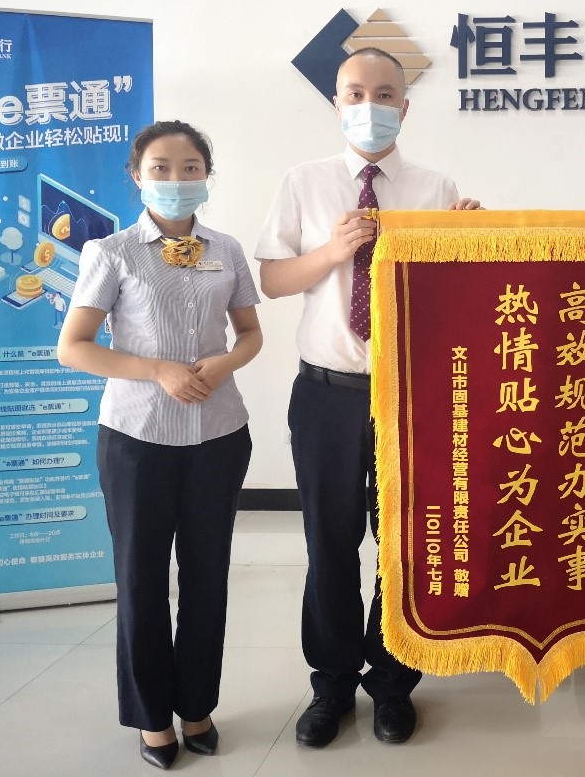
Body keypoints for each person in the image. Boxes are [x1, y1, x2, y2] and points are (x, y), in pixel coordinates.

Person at [256, 47, 479, 749]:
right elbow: (272, 281)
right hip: (326, 393)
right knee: (328, 542)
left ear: (405, 107)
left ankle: (391, 682)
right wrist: (331, 252)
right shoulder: (305, 181)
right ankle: (330, 684)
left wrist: (473, 243)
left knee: (404, 544)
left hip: (412, 397)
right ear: (336, 102)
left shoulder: (436, 188)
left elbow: (458, 300)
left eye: (384, 94)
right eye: (355, 92)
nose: (369, 105)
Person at [57, 120, 263, 770]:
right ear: (137, 176)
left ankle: (197, 705)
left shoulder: (227, 249)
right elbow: (74, 348)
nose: (177, 179)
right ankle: (151, 719)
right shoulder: (112, 252)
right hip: (137, 439)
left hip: (219, 435)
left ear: (207, 175)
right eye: (161, 168)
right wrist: (157, 370)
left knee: (207, 578)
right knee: (142, 580)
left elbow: (250, 334)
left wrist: (224, 364)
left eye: (190, 167)